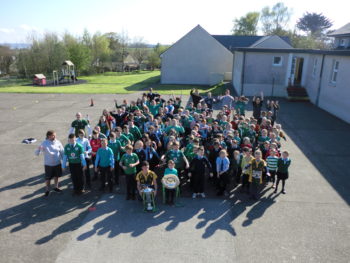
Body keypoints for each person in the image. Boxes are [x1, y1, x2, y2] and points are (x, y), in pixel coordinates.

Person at [35, 130, 64, 197]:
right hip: (48, 164)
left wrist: (64, 162)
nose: (54, 137)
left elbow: (62, 151)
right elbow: (36, 153)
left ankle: (56, 187)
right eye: (53, 135)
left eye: (55, 135)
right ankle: (47, 190)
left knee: (56, 176)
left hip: (57, 163)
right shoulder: (44, 143)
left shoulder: (58, 142)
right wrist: (39, 149)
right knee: (48, 178)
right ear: (48, 136)